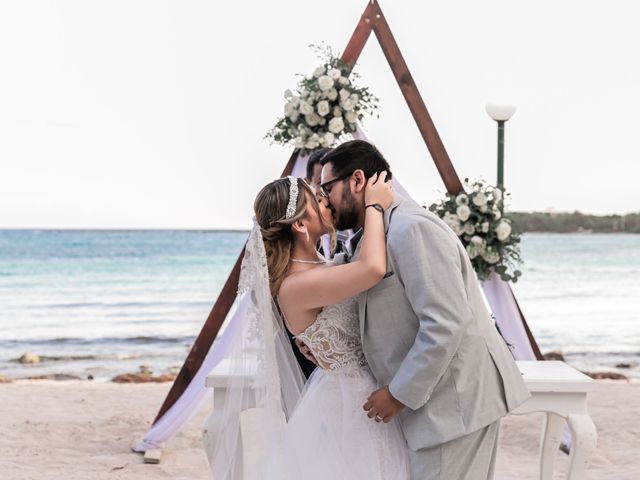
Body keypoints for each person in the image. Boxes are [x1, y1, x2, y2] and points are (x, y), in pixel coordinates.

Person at [307, 139, 531, 480]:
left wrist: (398, 395)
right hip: (433, 410)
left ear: (357, 180)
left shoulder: (412, 229)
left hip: (454, 407)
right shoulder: (375, 232)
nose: (325, 200)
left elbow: (445, 322)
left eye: (327, 188)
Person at [208, 173, 409, 479]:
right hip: (351, 406)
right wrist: (375, 206)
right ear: (300, 225)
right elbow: (373, 268)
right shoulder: (294, 285)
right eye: (317, 199)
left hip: (366, 391)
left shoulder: (323, 266)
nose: (326, 200)